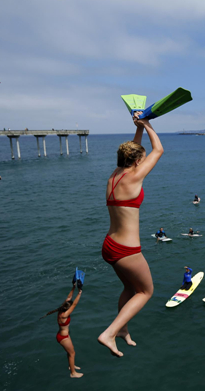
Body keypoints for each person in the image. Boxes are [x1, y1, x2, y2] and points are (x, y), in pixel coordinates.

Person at [98, 112, 163, 357]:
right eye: (141, 158)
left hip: (109, 245)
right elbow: (158, 150)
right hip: (127, 250)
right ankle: (110, 333)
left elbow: (133, 151)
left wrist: (137, 128)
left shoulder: (114, 176)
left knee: (129, 286)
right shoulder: (134, 177)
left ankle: (122, 329)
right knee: (146, 291)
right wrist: (147, 124)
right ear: (136, 162)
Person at [41, 283, 84, 378]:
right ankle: (73, 373)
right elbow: (75, 304)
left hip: (63, 335)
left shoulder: (61, 309)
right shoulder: (64, 315)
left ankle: (71, 366)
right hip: (63, 337)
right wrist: (79, 293)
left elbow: (69, 298)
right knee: (72, 353)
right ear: (67, 309)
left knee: (70, 352)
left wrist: (73, 287)